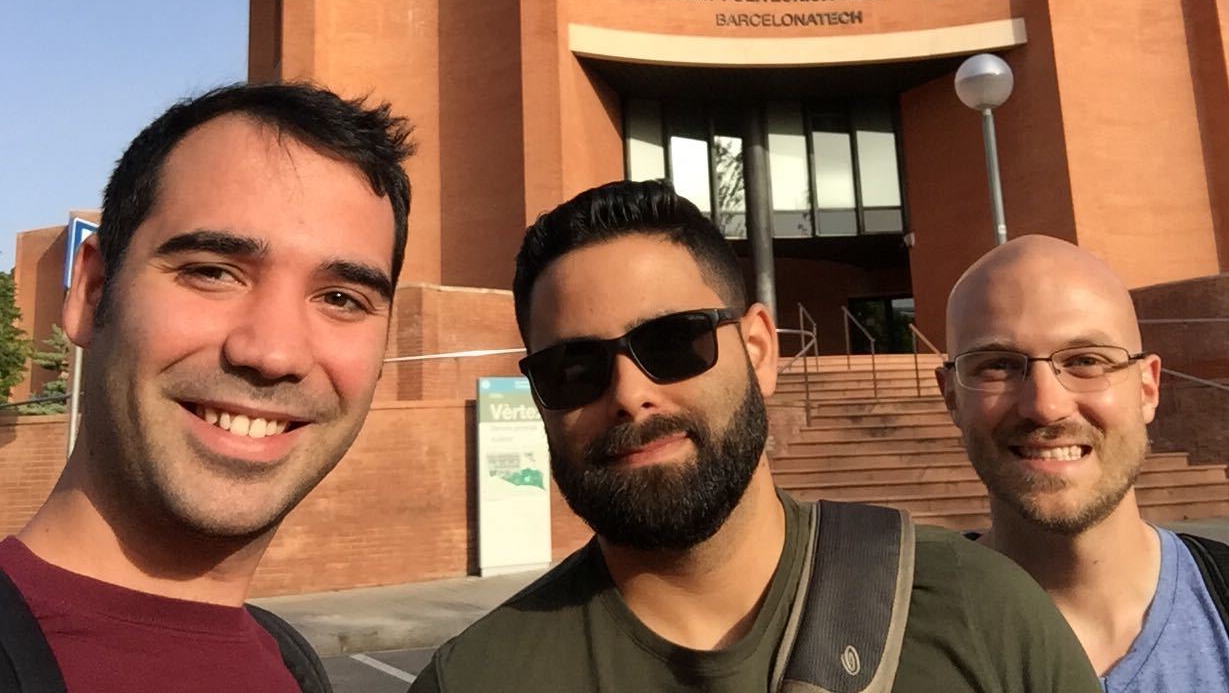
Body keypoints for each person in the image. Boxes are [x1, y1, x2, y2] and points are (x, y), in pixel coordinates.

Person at [413, 180, 1099, 693]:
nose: (628, 394)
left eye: (673, 342)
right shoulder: (475, 678)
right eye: (574, 367)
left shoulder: (981, 612)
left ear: (760, 350)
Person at [0, 83, 414, 691]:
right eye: (213, 272)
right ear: (91, 292)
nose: (273, 353)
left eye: (341, 298)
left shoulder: (291, 666)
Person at [939, 234, 1229, 692]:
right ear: (951, 397)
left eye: (1086, 360)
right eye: (998, 365)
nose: (1046, 406)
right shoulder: (880, 650)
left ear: (1147, 388)